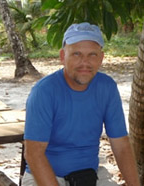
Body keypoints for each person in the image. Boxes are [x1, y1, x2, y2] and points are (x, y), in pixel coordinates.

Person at [22, 22, 140, 186]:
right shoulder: (44, 91)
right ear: (63, 56)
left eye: (92, 55)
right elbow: (34, 154)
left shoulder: (107, 88)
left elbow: (121, 145)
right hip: (45, 177)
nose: (85, 62)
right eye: (76, 54)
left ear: (101, 58)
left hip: (90, 177)